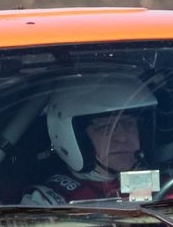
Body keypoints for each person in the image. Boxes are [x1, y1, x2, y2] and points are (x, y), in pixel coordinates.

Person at [26, 78, 156, 203]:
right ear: (72, 136)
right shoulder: (50, 202)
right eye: (104, 127)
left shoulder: (148, 180)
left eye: (129, 123)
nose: (122, 138)